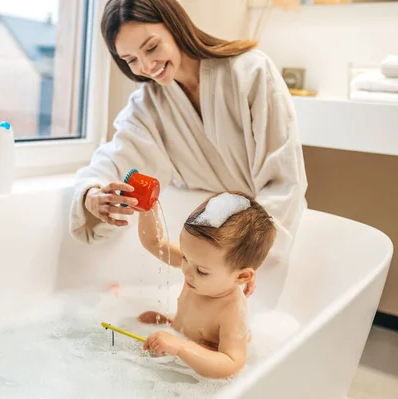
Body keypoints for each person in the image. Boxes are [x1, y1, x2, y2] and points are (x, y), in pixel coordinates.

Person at [69, 0, 307, 309]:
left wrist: (246, 251)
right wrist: (92, 194)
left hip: (255, 243)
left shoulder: (251, 72)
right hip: (199, 243)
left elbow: (284, 179)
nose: (146, 67)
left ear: (174, 25)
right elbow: (113, 161)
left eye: (152, 48)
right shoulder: (147, 106)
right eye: (131, 60)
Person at [138, 192, 276, 378]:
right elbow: (156, 243)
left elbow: (232, 364)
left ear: (241, 276)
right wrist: (147, 206)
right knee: (142, 319)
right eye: (185, 257)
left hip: (206, 363)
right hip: (181, 336)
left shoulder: (232, 309)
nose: (186, 270)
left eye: (201, 271)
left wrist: (181, 347)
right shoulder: (199, 263)